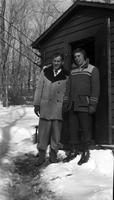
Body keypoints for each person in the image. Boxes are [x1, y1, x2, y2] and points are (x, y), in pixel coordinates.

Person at [62, 48, 100, 165]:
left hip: (85, 105)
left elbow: (96, 88)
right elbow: (68, 88)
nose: (77, 58)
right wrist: (66, 101)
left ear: (84, 56)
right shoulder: (72, 71)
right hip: (73, 105)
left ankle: (85, 151)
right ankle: (73, 151)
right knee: (72, 129)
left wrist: (93, 104)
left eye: (79, 56)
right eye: (75, 57)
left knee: (85, 129)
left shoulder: (92, 69)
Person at [34, 53, 68, 166]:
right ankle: (42, 155)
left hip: (58, 108)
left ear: (62, 62)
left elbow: (68, 92)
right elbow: (39, 89)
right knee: (43, 134)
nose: (56, 63)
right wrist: (37, 104)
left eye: (58, 61)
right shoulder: (45, 72)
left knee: (56, 134)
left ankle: (53, 155)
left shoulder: (66, 75)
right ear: (52, 61)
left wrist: (65, 104)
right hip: (45, 107)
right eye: (54, 61)